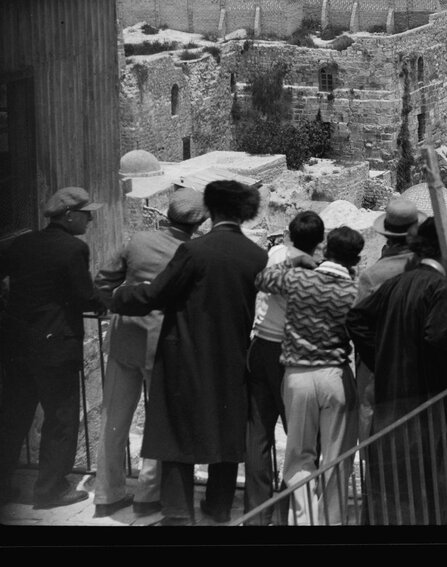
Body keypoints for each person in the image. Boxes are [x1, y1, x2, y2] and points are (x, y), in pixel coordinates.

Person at [112, 180, 267, 526]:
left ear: (210, 211)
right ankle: (218, 506)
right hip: (231, 354)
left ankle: (179, 511)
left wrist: (119, 297)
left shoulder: (194, 252)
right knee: (225, 429)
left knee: (176, 429)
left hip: (184, 351)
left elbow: (156, 295)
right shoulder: (257, 256)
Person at [346, 217, 447, 525]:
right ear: (446, 253)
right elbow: (439, 335)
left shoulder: (395, 283)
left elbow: (356, 319)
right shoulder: (441, 287)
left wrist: (383, 360)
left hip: (392, 400)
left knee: (394, 487)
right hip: (427, 406)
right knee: (431, 485)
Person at [91, 188, 208, 519]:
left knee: (113, 419)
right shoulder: (192, 251)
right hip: (163, 344)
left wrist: (114, 306)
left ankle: (107, 493)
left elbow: (103, 280)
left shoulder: (137, 240)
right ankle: (146, 495)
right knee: (160, 423)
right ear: (199, 221)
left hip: (124, 336)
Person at [0, 187, 105, 509]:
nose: (90, 219)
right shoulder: (73, 249)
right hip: (56, 346)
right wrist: (107, 300)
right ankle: (50, 490)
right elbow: (85, 296)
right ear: (69, 216)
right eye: (86, 214)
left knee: (14, 416)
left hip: (18, 344)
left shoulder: (22, 243)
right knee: (60, 417)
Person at [256, 224, 364, 525]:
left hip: (297, 376)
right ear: (354, 261)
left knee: (299, 457)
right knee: (336, 458)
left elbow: (262, 279)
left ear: (325, 251)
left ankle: (304, 522)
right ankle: (331, 522)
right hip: (335, 375)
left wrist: (295, 260)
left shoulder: (299, 278)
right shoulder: (353, 291)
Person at [244, 210, 325, 524]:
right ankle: (288, 508)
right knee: (301, 437)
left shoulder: (276, 254)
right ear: (318, 241)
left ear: (289, 234)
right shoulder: (315, 272)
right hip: (290, 354)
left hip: (261, 346)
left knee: (259, 433)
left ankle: (256, 514)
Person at [352, 196, 419, 440]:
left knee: (372, 426)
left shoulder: (373, 275)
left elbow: (358, 324)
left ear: (386, 236)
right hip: (416, 365)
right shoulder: (425, 269)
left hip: (378, 367)